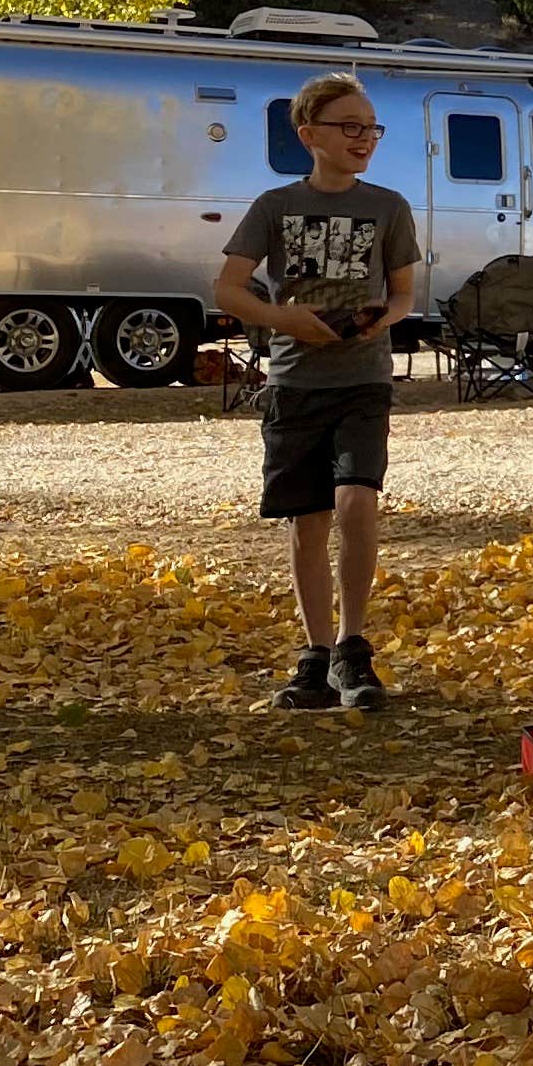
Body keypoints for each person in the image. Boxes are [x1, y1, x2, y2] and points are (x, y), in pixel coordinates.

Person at [216, 72, 420, 713]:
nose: (365, 139)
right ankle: (316, 656)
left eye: (371, 128)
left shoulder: (389, 207)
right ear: (310, 135)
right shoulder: (274, 207)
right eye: (350, 127)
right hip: (294, 383)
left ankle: (353, 648)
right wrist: (289, 321)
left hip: (362, 380)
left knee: (358, 502)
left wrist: (373, 320)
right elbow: (229, 287)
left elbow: (404, 294)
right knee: (309, 523)